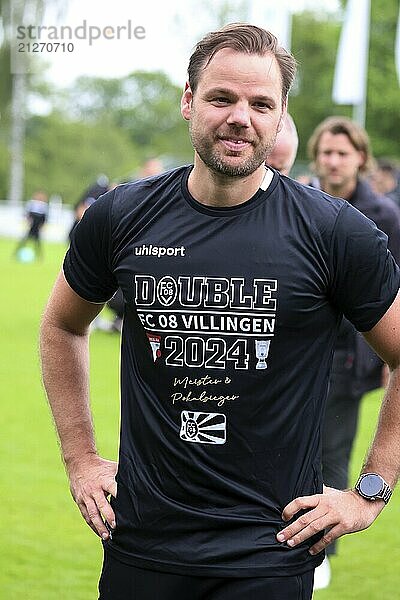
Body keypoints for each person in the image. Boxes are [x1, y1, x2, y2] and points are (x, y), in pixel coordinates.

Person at [39, 24, 400, 600]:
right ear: (188, 101)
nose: (241, 117)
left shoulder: (334, 232)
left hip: (272, 553)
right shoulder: (121, 217)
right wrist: (81, 459)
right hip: (142, 542)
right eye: (221, 98)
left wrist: (370, 492)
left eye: (262, 104)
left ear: (280, 118)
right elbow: (61, 323)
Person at [306, 116, 400, 588]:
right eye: (326, 152)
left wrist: (388, 358)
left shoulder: (383, 215)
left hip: (350, 352)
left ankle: (321, 546)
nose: (333, 161)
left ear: (360, 157)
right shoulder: (300, 202)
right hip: (300, 350)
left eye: (342, 153)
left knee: (332, 449)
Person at [15, 190, 49, 259]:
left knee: (37, 243)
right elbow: (27, 214)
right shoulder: (31, 204)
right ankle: (16, 253)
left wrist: (42, 226)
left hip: (37, 227)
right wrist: (28, 221)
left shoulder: (44, 206)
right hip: (32, 226)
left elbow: (45, 218)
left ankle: (40, 256)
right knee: (24, 240)